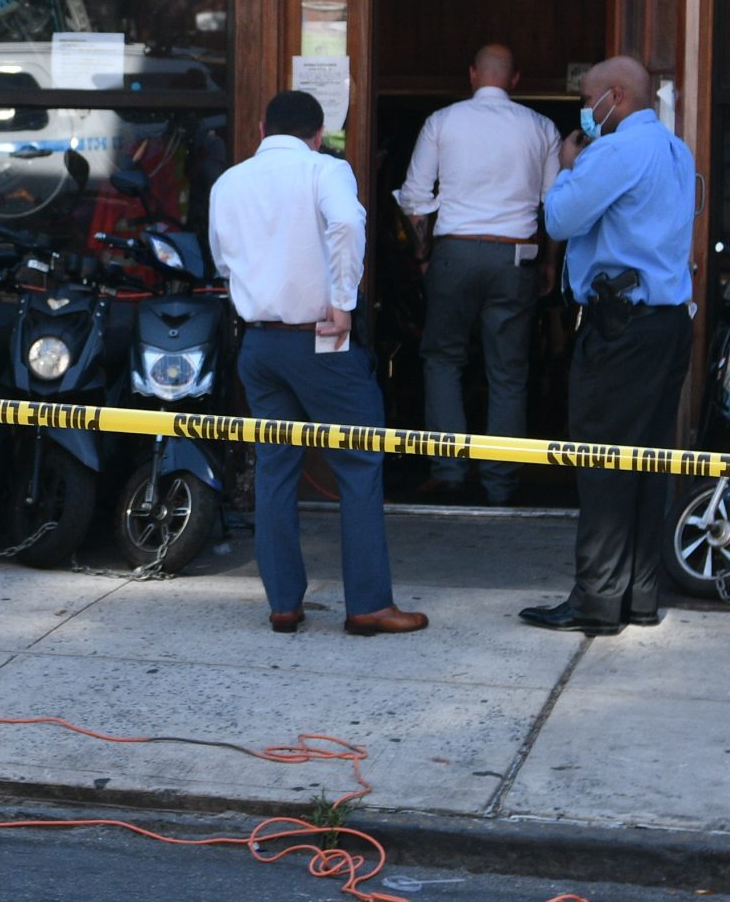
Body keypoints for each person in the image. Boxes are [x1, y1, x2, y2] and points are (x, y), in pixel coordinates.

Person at [208, 90, 428, 638]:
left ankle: (283, 603)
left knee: (275, 468)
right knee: (359, 462)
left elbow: (223, 259)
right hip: (321, 339)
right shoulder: (325, 169)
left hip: (260, 342)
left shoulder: (229, 182)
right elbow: (348, 225)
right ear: (318, 134)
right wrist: (344, 301)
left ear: (262, 130)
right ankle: (369, 604)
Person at [522, 56, 698, 637]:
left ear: (615, 96)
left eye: (587, 99)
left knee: (602, 462)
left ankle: (596, 600)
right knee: (648, 463)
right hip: (668, 321)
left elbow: (559, 219)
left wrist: (568, 167)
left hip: (620, 326)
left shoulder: (616, 151)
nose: (583, 110)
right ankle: (639, 596)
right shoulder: (676, 150)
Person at [394, 43, 561, 501]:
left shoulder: (442, 121)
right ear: (515, 80)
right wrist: (549, 262)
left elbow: (414, 198)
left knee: (443, 360)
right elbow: (555, 205)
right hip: (516, 257)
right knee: (508, 371)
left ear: (472, 75)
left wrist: (425, 257)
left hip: (454, 252)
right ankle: (500, 483)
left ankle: (448, 471)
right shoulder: (541, 127)